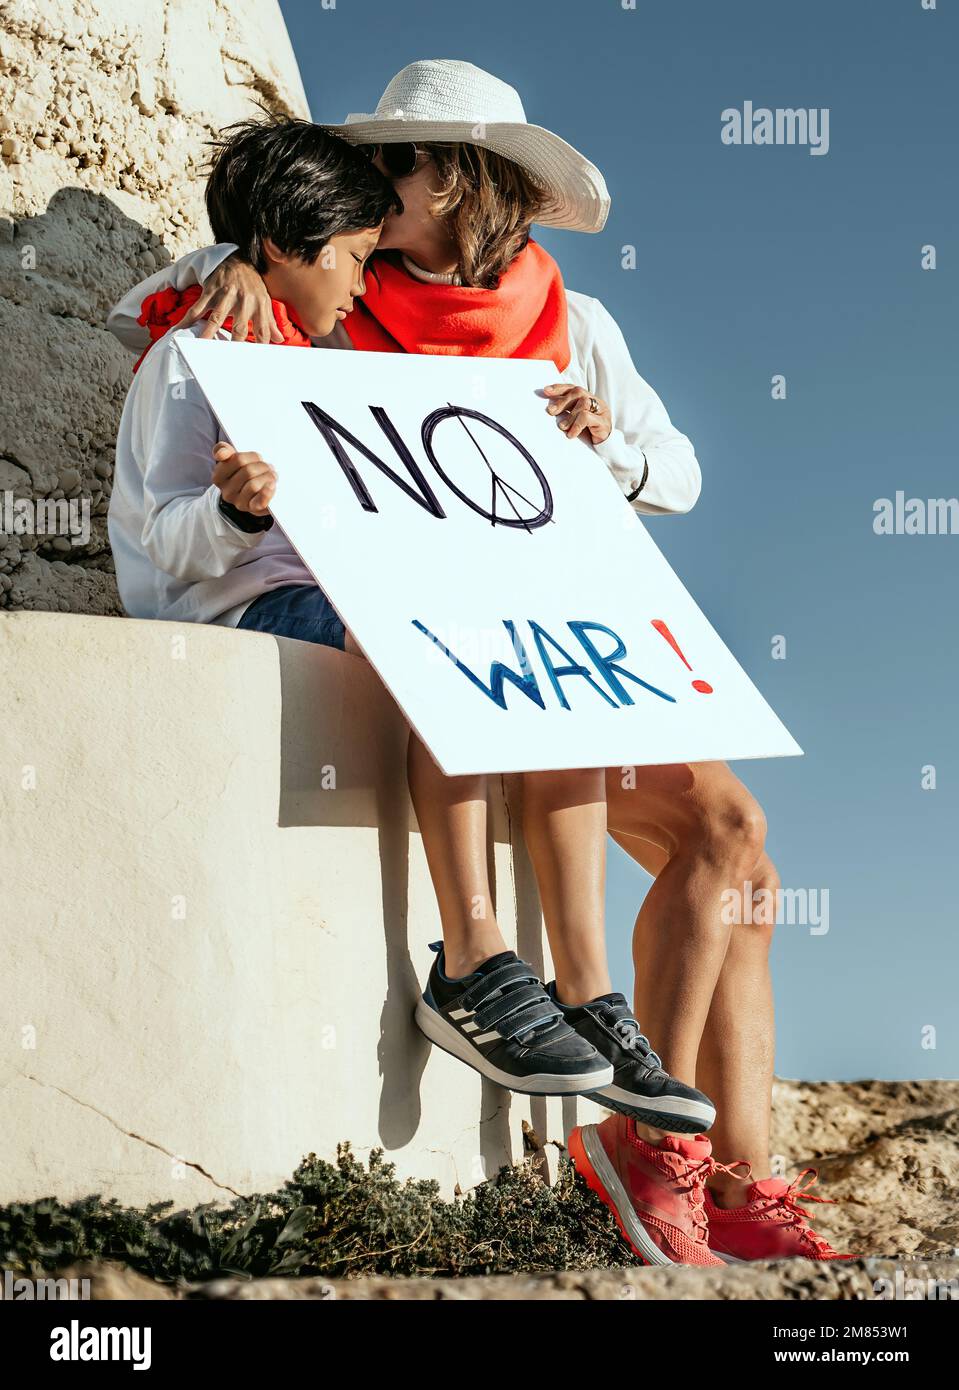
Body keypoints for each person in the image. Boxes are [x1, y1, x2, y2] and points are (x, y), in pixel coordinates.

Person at [107, 62, 848, 1264]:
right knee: (691, 819)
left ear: (451, 176)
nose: (370, 192)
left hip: (547, 634)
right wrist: (225, 265)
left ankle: (721, 1169)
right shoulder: (344, 289)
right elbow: (234, 266)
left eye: (392, 166)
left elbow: (681, 469)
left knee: (737, 838)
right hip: (444, 640)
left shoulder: (573, 322)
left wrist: (604, 451)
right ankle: (639, 1144)